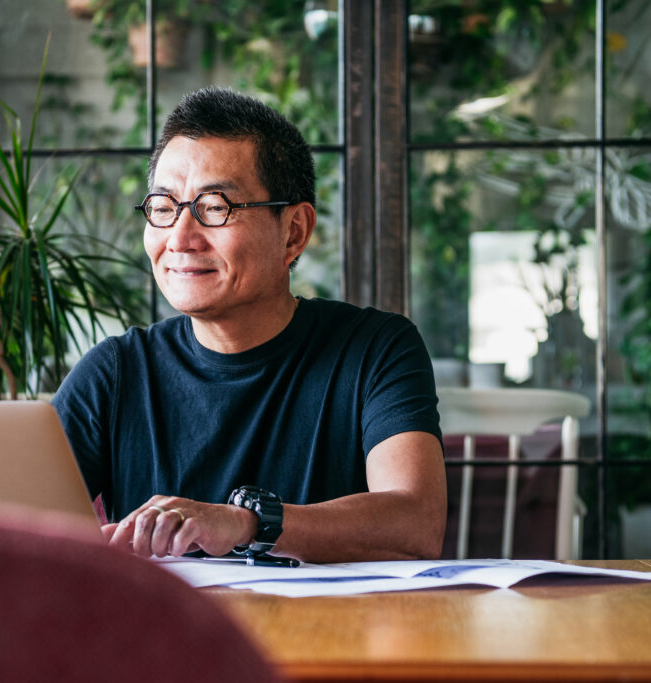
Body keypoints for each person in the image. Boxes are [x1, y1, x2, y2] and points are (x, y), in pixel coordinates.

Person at [52, 87, 446, 564]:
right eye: (163, 206)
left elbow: (415, 524)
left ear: (294, 232)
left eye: (215, 207)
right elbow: (11, 527)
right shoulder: (114, 374)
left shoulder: (373, 349)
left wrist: (245, 522)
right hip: (164, 638)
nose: (180, 237)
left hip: (335, 636)